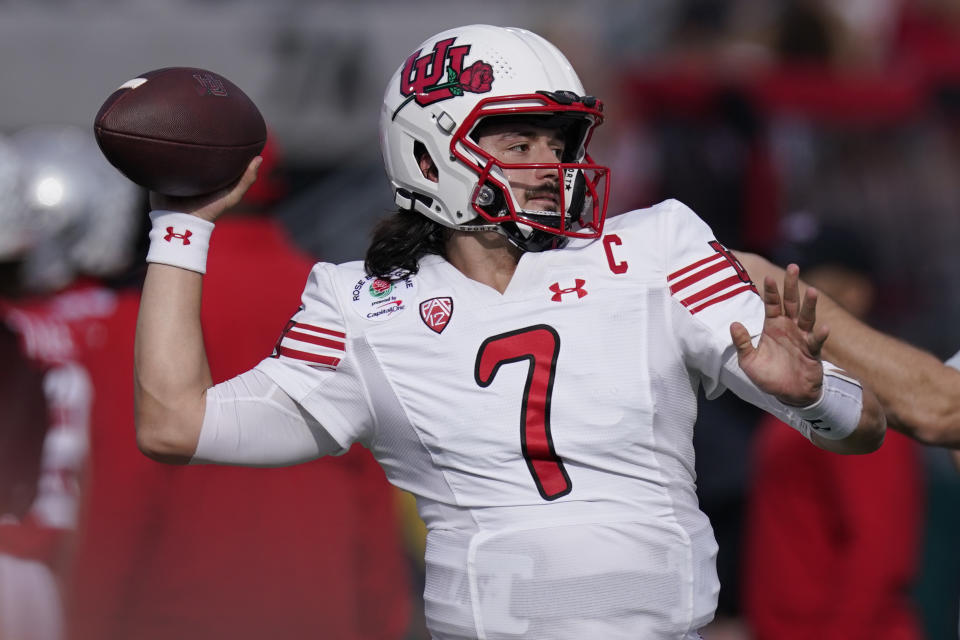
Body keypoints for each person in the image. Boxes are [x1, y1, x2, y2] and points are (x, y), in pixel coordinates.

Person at [130, 24, 885, 639]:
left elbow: (866, 430)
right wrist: (179, 230)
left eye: (558, 144)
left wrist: (819, 398)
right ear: (427, 153)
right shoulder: (361, 303)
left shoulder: (658, 247)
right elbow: (174, 423)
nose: (548, 165)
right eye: (518, 144)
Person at [64, 134, 412, 640]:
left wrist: (87, 622)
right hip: (325, 611)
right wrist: (381, 620)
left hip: (179, 616)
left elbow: (119, 498)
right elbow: (374, 487)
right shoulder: (350, 305)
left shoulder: (141, 315)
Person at [741, 218, 924, 640]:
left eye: (807, 277)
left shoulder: (869, 398)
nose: (787, 288)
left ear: (856, 294)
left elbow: (877, 554)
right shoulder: (802, 378)